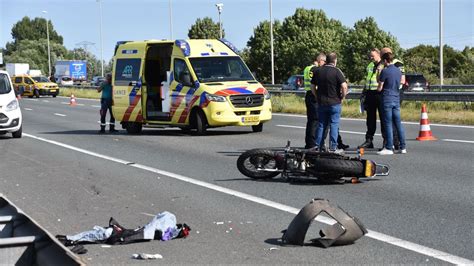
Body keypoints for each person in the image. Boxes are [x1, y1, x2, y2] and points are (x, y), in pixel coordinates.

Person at [304, 53, 348, 150]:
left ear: (326, 60)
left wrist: (316, 96)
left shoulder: (318, 71)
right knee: (334, 124)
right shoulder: (336, 71)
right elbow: (344, 86)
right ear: (335, 61)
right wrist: (342, 97)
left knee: (321, 124)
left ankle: (317, 145)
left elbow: (312, 86)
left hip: (322, 103)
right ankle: (333, 147)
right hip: (334, 102)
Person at [376, 52, 406, 155]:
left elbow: (380, 87)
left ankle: (389, 147)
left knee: (388, 123)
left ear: (385, 60)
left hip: (387, 98)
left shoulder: (385, 71)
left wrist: (379, 73)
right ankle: (403, 147)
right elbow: (401, 82)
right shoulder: (398, 71)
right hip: (396, 98)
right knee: (398, 123)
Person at [358, 48, 384, 149]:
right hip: (369, 94)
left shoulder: (383, 65)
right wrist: (363, 92)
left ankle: (386, 141)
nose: (371, 57)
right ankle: (369, 140)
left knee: (383, 119)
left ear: (378, 54)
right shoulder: (370, 65)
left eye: (373, 56)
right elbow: (367, 80)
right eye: (370, 56)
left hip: (379, 94)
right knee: (370, 119)